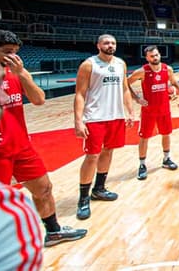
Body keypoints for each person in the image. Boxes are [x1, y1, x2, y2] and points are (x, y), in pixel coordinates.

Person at [0, 30, 87, 246]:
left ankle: (54, 231)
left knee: (44, 188)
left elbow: (39, 100)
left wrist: (22, 75)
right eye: (7, 52)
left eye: (16, 52)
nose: (13, 56)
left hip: (21, 145)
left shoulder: (17, 72)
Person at [74, 34, 134, 220]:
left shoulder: (120, 64)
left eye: (113, 43)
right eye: (106, 42)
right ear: (98, 45)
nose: (110, 45)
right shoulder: (88, 64)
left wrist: (130, 112)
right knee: (92, 156)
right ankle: (83, 198)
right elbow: (80, 94)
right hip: (95, 117)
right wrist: (78, 120)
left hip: (115, 116)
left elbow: (125, 89)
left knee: (108, 152)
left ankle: (99, 189)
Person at [127, 45, 179, 180]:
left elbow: (174, 83)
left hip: (164, 109)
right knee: (144, 137)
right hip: (148, 111)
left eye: (157, 55)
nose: (155, 57)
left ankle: (166, 159)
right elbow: (126, 84)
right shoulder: (142, 72)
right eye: (152, 56)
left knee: (166, 134)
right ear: (147, 58)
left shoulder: (167, 69)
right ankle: (142, 165)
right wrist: (137, 98)